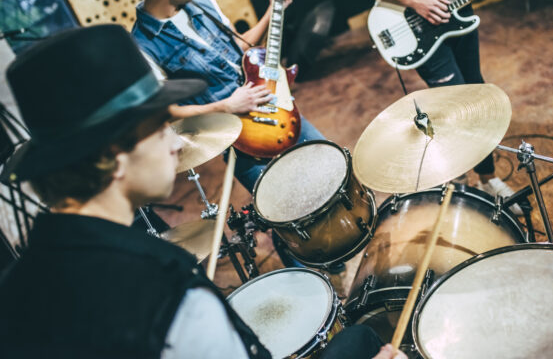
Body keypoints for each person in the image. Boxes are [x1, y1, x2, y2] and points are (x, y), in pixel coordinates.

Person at [0, 24, 404, 359]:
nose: (177, 144)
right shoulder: (164, 288)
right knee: (364, 341)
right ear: (114, 156)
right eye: (161, 128)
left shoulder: (17, 290)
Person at [128, 0, 336, 270]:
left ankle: (330, 253)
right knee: (284, 211)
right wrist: (226, 106)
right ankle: (306, 277)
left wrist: (273, 10)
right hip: (238, 138)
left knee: (328, 170)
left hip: (275, 109)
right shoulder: (142, 46)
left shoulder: (202, 2)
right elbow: (166, 109)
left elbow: (240, 47)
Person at [342, 0, 552, 214]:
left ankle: (487, 179)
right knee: (455, 106)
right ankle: (458, 187)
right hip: (411, 18)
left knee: (477, 94)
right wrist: (414, 0)